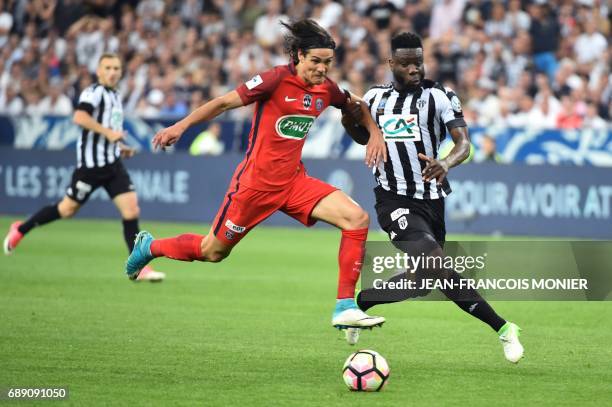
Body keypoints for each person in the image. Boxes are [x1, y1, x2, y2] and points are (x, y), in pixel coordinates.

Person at [124, 20, 387, 336]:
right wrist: (180, 126)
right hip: (254, 186)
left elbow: (355, 104)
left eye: (327, 62)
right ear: (298, 56)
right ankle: (150, 247)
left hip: (293, 183)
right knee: (213, 252)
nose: (322, 68)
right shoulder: (275, 79)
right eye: (315, 61)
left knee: (356, 219)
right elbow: (222, 102)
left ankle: (345, 306)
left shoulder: (325, 89)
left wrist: (375, 133)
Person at [341, 32, 524, 363]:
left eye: (419, 62)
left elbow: (464, 144)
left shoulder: (439, 97)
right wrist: (347, 118)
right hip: (392, 200)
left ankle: (362, 302)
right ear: (391, 64)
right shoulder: (375, 98)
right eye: (407, 63)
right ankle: (504, 328)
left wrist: (446, 161)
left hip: (431, 201)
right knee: (437, 264)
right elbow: (360, 135)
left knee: (421, 282)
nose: (414, 69)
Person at [3, 53, 165, 283]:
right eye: (107, 67)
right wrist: (109, 134)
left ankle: (137, 266)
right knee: (67, 210)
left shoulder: (116, 96)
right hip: (90, 167)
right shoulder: (93, 92)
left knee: (131, 210)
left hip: (113, 164)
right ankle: (21, 228)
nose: (112, 72)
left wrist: (120, 147)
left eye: (116, 68)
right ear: (98, 71)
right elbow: (79, 117)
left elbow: (109, 131)